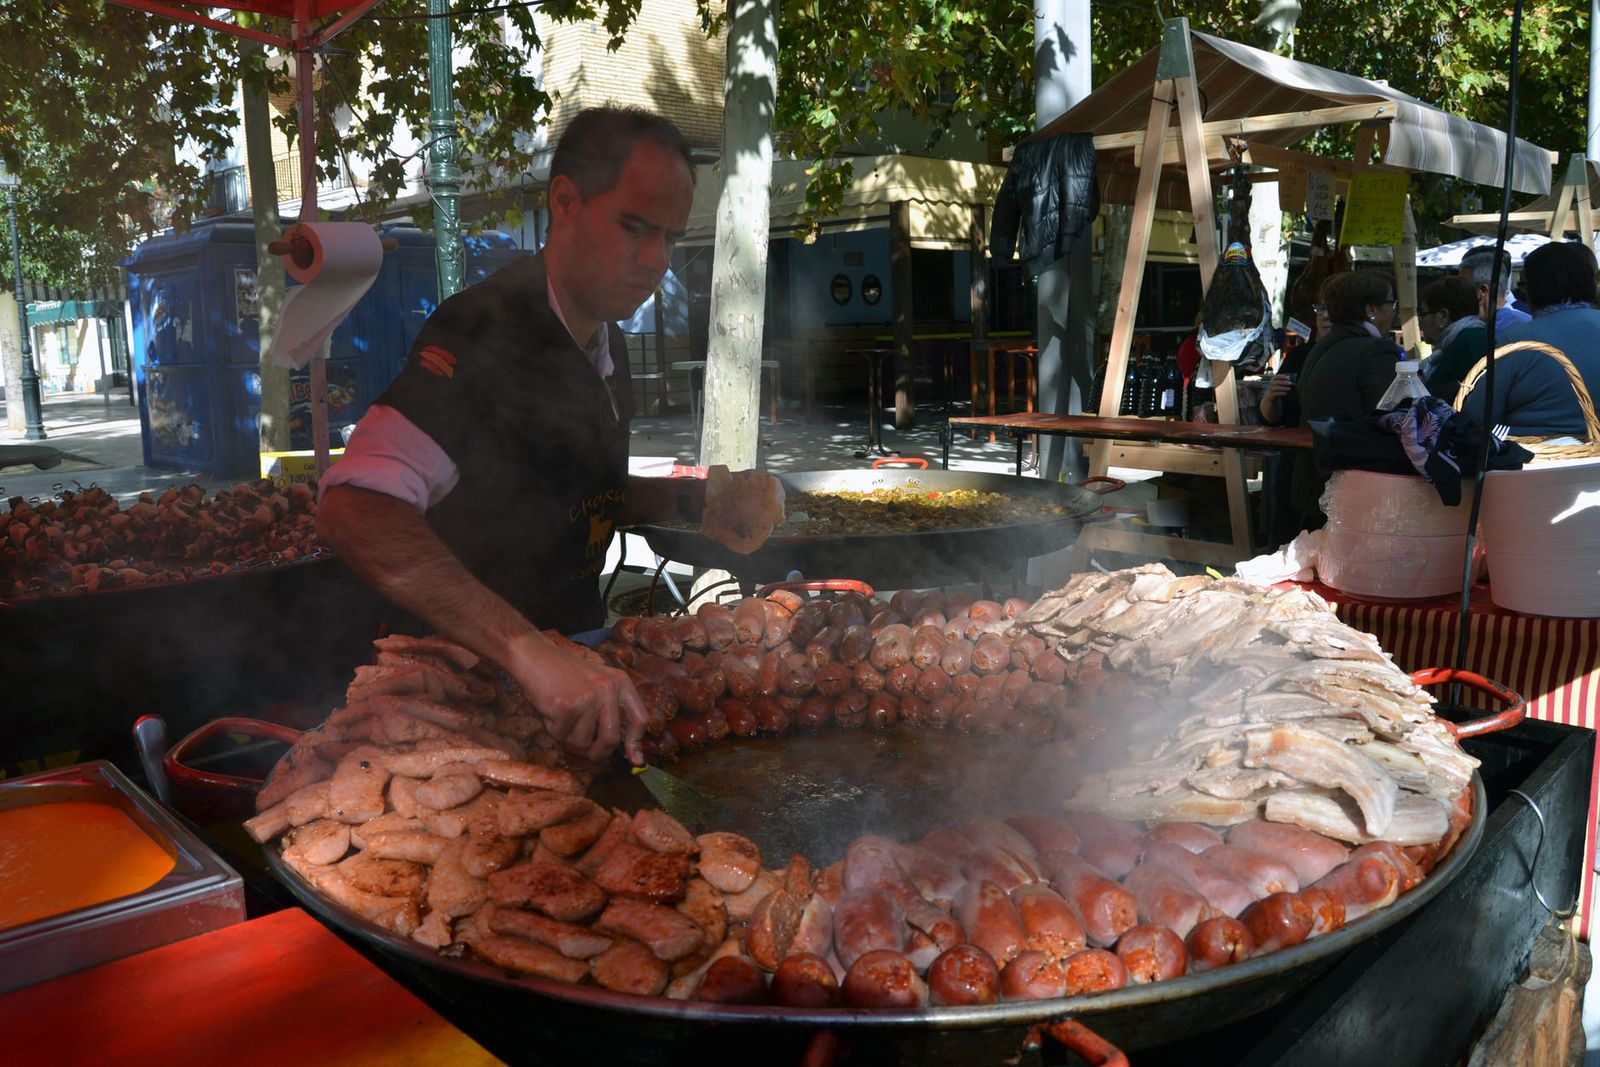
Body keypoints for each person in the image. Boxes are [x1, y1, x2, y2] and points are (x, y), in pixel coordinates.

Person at [317, 107, 759, 766]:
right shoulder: (479, 333)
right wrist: (527, 649)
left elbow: (572, 487)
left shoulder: (606, 338)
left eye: (671, 237)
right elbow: (354, 504)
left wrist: (690, 502)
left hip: (575, 689)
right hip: (454, 704)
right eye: (635, 228)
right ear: (566, 202)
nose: (656, 261)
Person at [1287, 270, 1403, 530]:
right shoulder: (1375, 350)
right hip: (1348, 486)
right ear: (1371, 310)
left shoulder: (1323, 346)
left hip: (1313, 479)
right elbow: (1393, 416)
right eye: (1390, 304)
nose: (1393, 312)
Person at [1460, 239, 1600, 437]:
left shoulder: (1518, 340)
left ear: (1533, 288)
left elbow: (1477, 416)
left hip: (1533, 459)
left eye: (1524, 284)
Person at [1415, 276, 1488, 402]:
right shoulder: (1472, 337)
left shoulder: (1467, 344)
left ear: (1443, 316)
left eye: (1422, 313)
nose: (1419, 321)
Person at [1459, 246, 1531, 333]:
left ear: (1482, 291)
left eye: (1463, 288)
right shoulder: (1465, 327)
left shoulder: (1523, 328)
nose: (1458, 294)